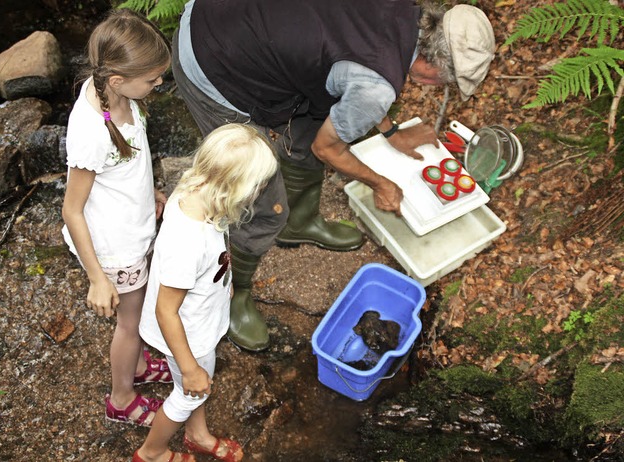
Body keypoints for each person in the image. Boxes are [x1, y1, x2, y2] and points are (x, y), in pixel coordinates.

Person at [172, 0, 496, 351]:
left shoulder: (404, 14)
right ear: (431, 64)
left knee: (314, 126)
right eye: (445, 81)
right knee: (258, 196)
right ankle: (234, 294)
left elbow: (356, 74)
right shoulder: (378, 84)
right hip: (211, 59)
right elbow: (332, 144)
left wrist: (390, 131)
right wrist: (381, 183)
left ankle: (299, 223)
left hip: (236, 17)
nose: (436, 87)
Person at [134, 124, 277, 462]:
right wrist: (190, 365)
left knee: (195, 389)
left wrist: (222, 283)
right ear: (235, 187)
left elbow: (212, 251)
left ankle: (197, 434)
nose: (260, 191)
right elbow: (166, 311)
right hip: (187, 335)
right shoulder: (189, 242)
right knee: (190, 391)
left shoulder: (195, 189)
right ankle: (151, 452)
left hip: (197, 318)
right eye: (257, 185)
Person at [61, 9, 173, 427]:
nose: (159, 84)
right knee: (131, 321)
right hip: (114, 248)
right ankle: (122, 398)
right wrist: (97, 278)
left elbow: (128, 161)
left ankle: (140, 368)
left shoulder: (118, 94)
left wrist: (149, 191)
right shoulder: (92, 132)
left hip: (130, 222)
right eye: (152, 79)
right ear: (117, 80)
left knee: (137, 315)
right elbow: (72, 209)